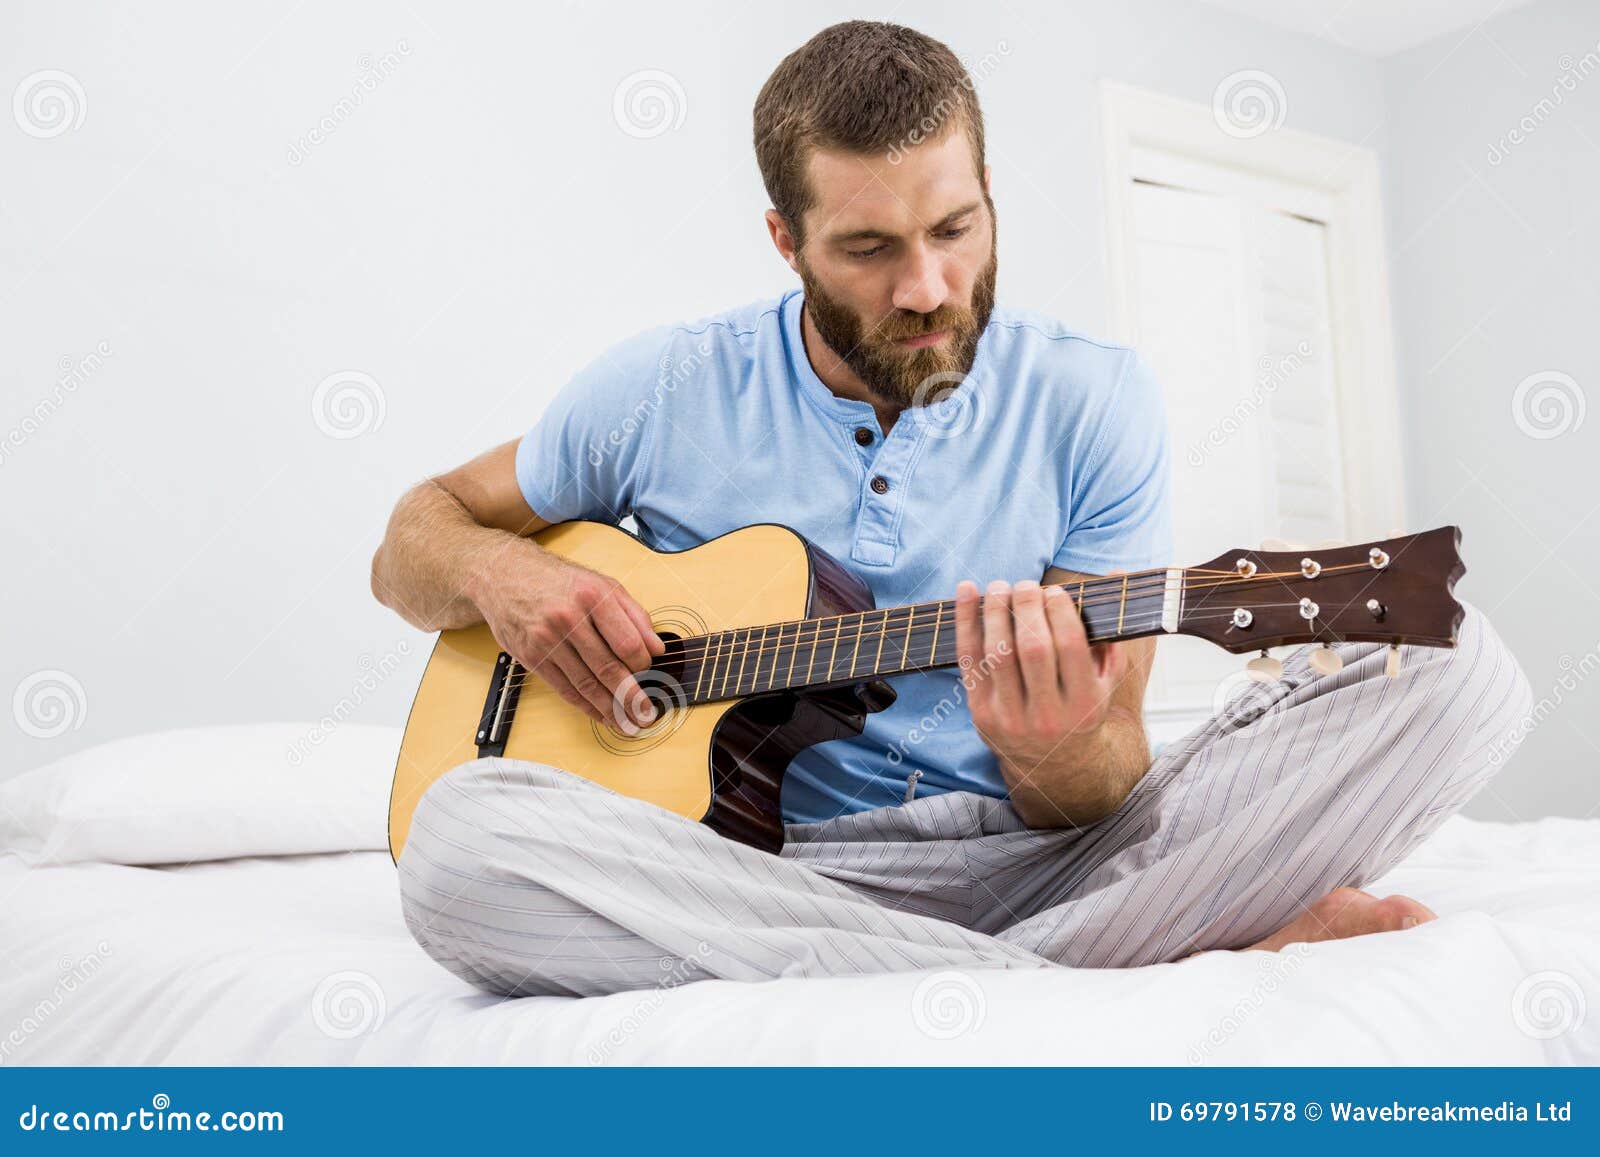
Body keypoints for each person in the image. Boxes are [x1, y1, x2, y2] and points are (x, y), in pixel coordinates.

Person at [370, 21, 1533, 997]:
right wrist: (499, 577)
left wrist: (1057, 746)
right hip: (755, 868)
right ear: (788, 241)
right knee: (458, 847)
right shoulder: (660, 384)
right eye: (869, 248)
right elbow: (413, 535)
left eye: (954, 230)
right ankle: (1129, 960)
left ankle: (1006, 957)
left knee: (1463, 669)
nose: (925, 289)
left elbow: (1110, 776)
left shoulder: (1093, 395)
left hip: (1051, 855)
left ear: (988, 197)